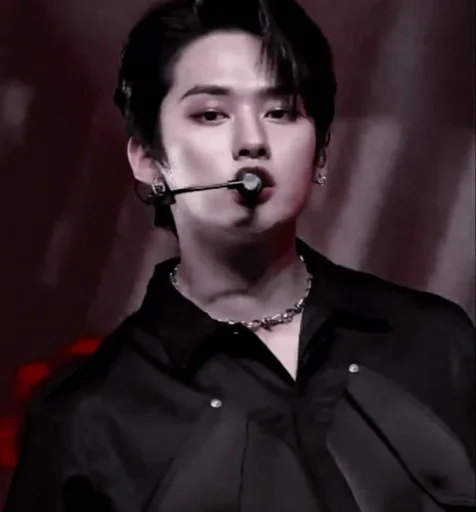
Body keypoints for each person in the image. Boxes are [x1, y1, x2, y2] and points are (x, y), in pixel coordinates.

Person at [4, 0, 475, 510]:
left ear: (319, 153)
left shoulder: (436, 341)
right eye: (211, 114)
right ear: (148, 160)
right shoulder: (88, 417)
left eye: (280, 112)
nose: (252, 141)